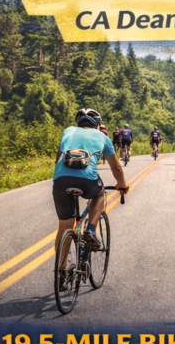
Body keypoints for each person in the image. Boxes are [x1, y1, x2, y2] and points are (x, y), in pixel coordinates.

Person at [53, 109, 128, 257]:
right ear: (98, 124)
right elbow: (116, 167)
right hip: (87, 179)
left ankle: (61, 272)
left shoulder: (67, 131)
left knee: (64, 227)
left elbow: (57, 160)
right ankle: (91, 230)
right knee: (99, 194)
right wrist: (122, 184)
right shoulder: (103, 136)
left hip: (61, 179)